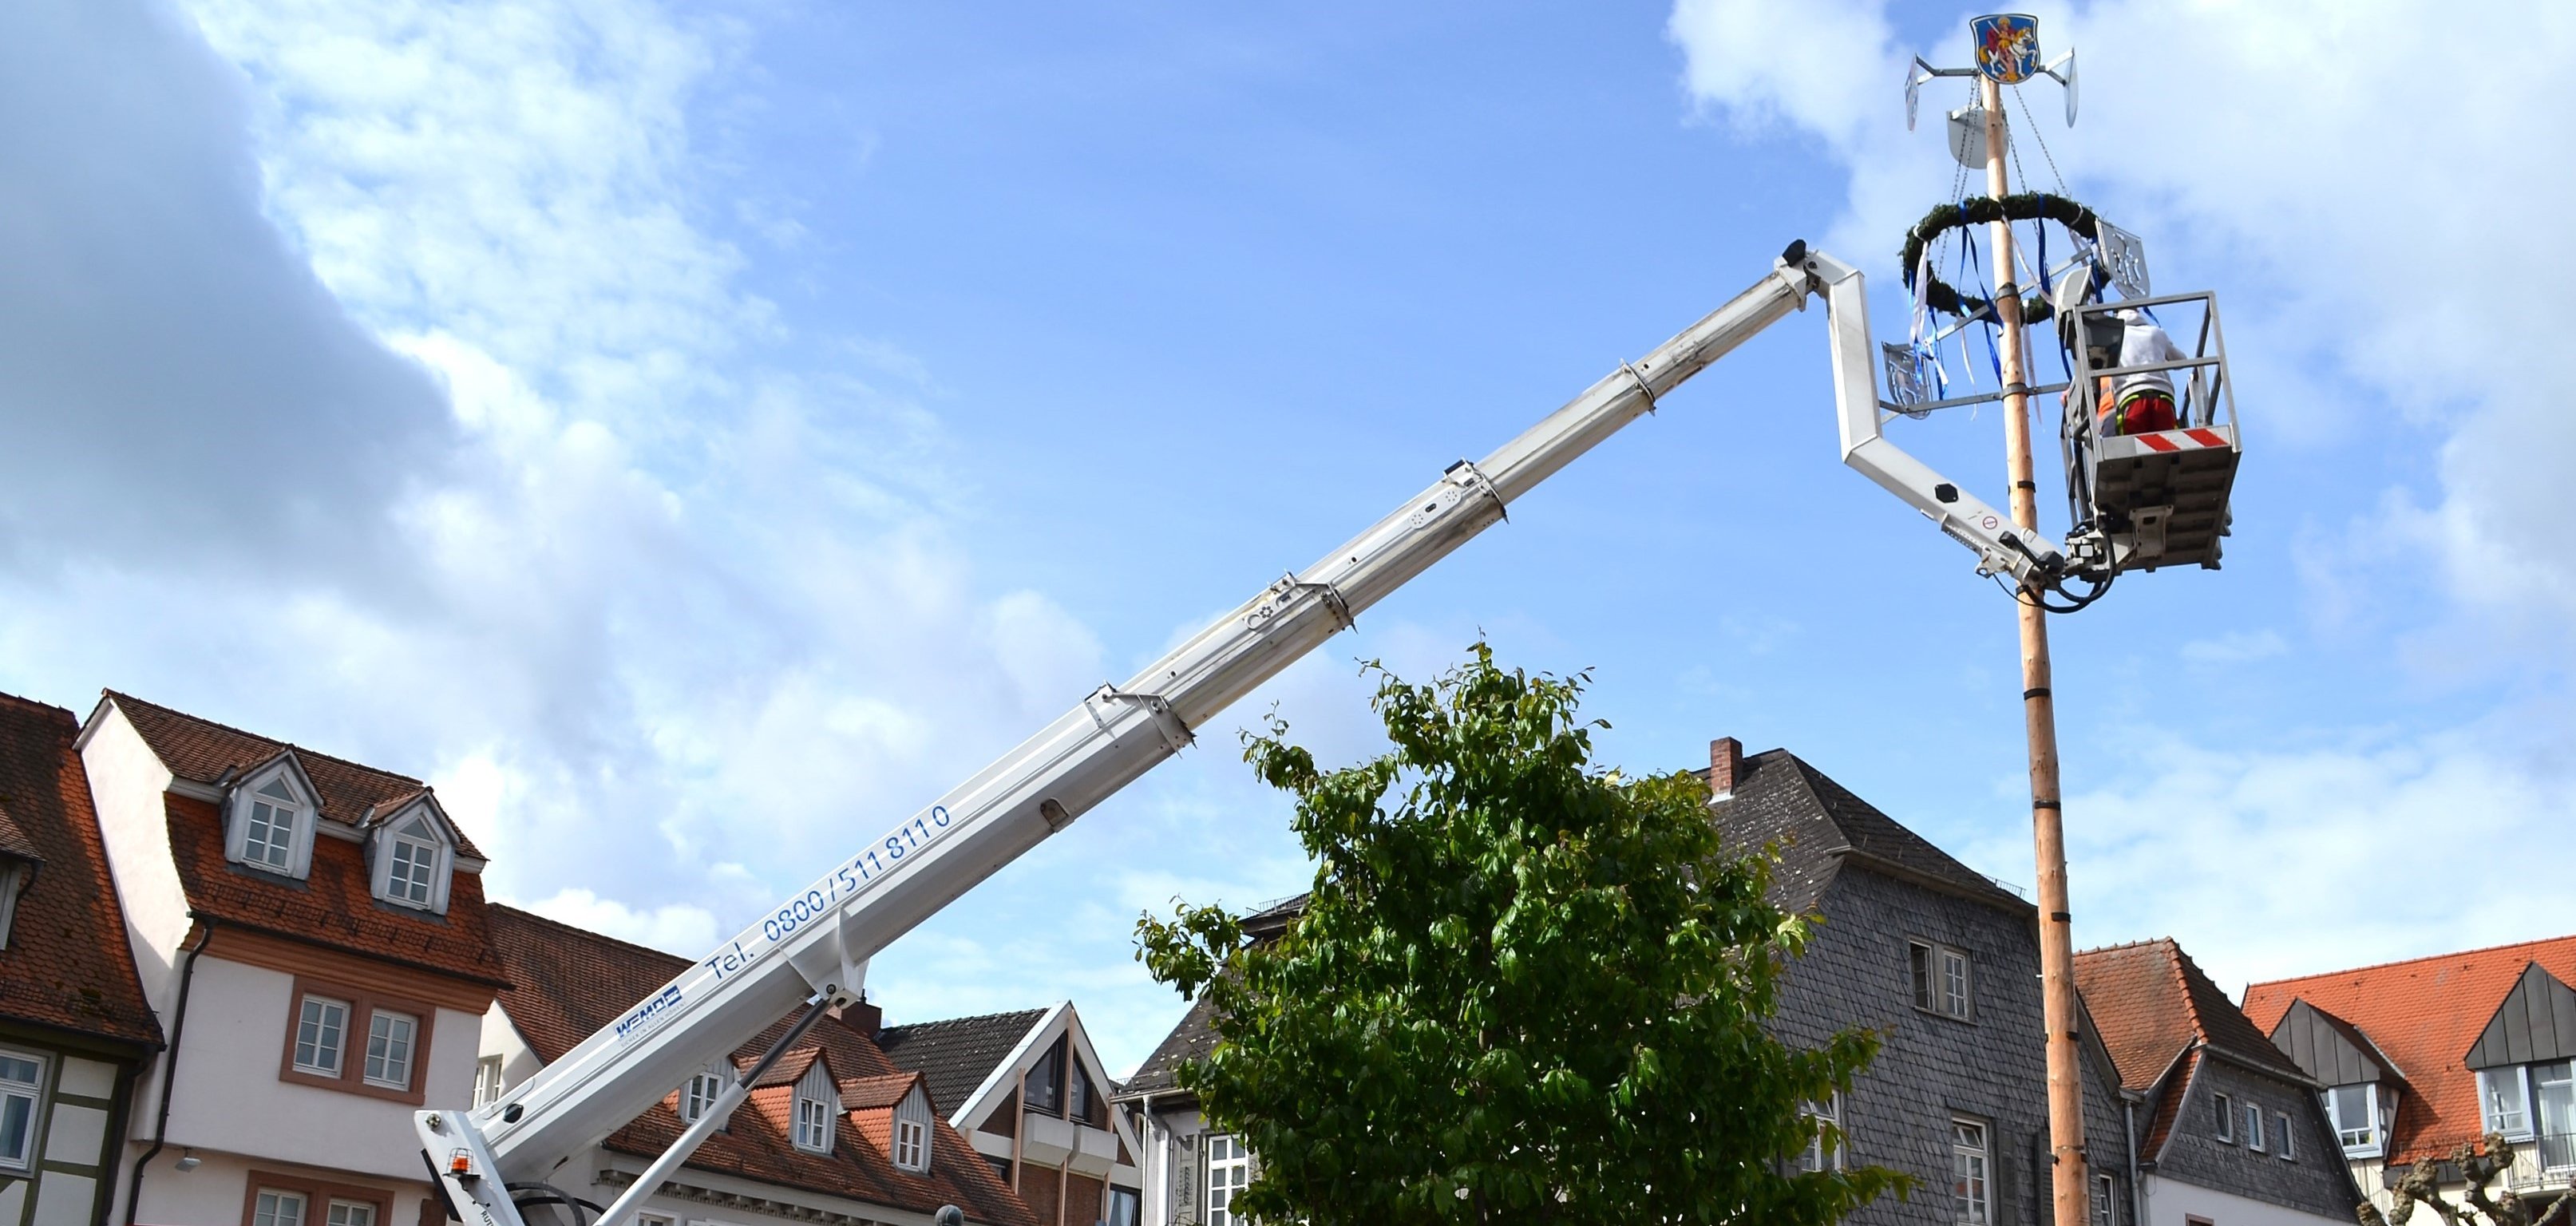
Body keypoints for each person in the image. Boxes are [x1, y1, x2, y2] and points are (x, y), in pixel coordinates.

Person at [2094, 308, 2184, 437]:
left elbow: (2095, 365)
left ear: (2116, 315)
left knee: (2133, 451)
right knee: (2169, 449)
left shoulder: (2112, 338)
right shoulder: (2157, 333)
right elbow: (2181, 361)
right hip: (2163, 398)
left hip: (2131, 399)